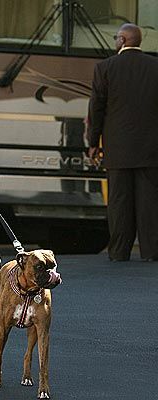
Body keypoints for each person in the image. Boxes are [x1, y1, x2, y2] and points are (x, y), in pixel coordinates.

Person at [88, 23, 158, 262]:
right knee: (149, 202)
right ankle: (151, 251)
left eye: (117, 38)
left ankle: (119, 251)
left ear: (122, 40)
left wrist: (93, 141)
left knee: (119, 202)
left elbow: (96, 108)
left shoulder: (105, 68)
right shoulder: (155, 67)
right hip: (151, 149)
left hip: (117, 148)